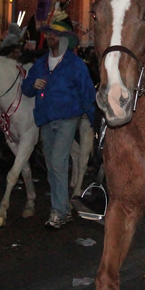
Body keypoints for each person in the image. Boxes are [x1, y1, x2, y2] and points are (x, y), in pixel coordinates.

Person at [22, 19, 96, 229]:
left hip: (67, 119)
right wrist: (32, 85)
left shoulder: (75, 65)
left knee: (57, 162)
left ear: (64, 39)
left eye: (54, 34)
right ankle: (63, 207)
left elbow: (87, 92)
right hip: (46, 119)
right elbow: (26, 89)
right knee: (52, 165)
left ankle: (59, 211)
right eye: (49, 34)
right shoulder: (41, 64)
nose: (50, 37)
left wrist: (91, 120)